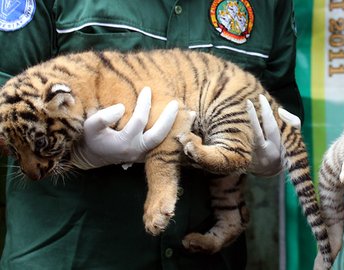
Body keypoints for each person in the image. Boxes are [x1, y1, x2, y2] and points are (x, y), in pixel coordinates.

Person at [0, 1, 303, 269]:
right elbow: (8, 99)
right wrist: (77, 152)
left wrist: (268, 154)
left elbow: (281, 102)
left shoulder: (269, 5)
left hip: (204, 256)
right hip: (73, 252)